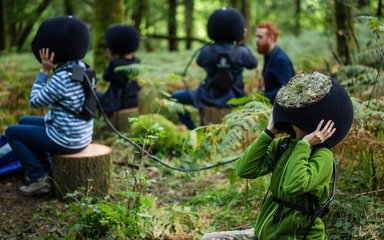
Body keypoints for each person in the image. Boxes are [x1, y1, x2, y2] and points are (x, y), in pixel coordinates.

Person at [5, 16, 93, 196]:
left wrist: (43, 71)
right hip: (79, 133)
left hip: (66, 138)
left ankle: (38, 179)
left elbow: (34, 101)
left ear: (47, 52)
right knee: (24, 121)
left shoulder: (61, 78)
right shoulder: (81, 68)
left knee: (13, 132)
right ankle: (47, 168)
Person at [171, 7, 257, 129]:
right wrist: (242, 42)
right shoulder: (242, 52)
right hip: (236, 98)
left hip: (206, 98)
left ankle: (192, 129)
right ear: (238, 29)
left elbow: (200, 62)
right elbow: (252, 64)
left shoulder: (206, 51)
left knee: (176, 96)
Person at [97, 24, 141, 115]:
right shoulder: (136, 62)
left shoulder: (115, 64)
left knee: (93, 94)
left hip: (116, 102)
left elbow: (105, 77)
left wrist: (110, 59)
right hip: (133, 100)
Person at [256, 21, 295, 104]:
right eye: (256, 36)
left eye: (260, 37)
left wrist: (264, 97)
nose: (257, 40)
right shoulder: (269, 55)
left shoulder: (280, 59)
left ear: (271, 38)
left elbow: (288, 90)